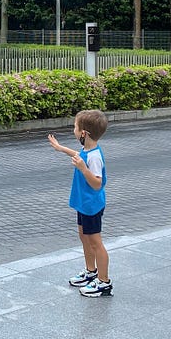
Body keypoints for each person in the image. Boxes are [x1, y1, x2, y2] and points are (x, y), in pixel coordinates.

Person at [48, 109, 112, 298]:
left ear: (83, 133)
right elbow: (78, 154)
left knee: (95, 242)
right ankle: (91, 271)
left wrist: (84, 170)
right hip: (83, 203)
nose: (74, 130)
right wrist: (61, 149)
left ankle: (104, 281)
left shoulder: (94, 157)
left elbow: (97, 183)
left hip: (91, 205)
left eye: (75, 127)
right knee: (84, 237)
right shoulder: (88, 150)